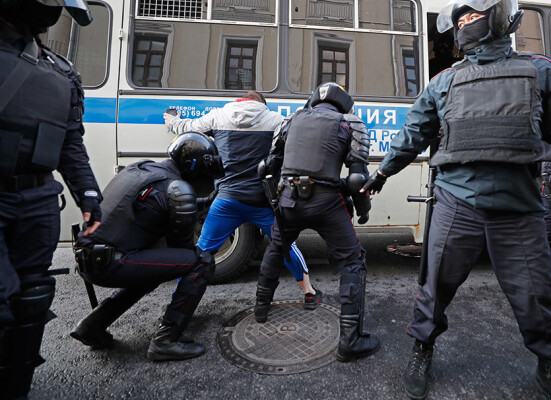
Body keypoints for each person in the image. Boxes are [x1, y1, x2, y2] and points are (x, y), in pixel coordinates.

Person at [361, 0, 551, 400]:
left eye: (472, 16)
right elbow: (411, 137)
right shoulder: (443, 83)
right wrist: (380, 175)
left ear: (499, 19)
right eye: (460, 19)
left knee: (536, 295)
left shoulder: (540, 71)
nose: (464, 24)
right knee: (434, 287)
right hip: (458, 203)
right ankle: (422, 348)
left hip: (519, 206)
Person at [0, 0, 104, 397]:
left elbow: (69, 143)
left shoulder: (60, 71)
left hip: (38, 198)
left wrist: (89, 195)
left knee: (32, 297)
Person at [70, 132, 222, 361]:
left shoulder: (142, 168)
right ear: (194, 167)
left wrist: (201, 203)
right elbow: (182, 252)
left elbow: (154, 204)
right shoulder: (179, 191)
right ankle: (165, 341)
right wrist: (190, 209)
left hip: (90, 258)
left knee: (151, 271)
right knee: (201, 262)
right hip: (112, 264)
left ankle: (90, 327)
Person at [255, 82, 378, 362]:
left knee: (276, 248)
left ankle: (261, 309)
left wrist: (276, 199)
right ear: (344, 103)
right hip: (326, 203)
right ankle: (350, 341)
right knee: (353, 261)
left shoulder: (292, 119)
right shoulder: (351, 124)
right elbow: (358, 179)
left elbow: (267, 167)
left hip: (287, 199)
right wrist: (363, 209)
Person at [164, 92, 322, 307]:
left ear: (241, 101)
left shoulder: (217, 116)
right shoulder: (275, 119)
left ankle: (178, 304)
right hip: (262, 203)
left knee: (201, 253)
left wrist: (172, 120)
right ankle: (309, 292)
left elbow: (187, 129)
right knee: (287, 245)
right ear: (262, 104)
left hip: (227, 201)